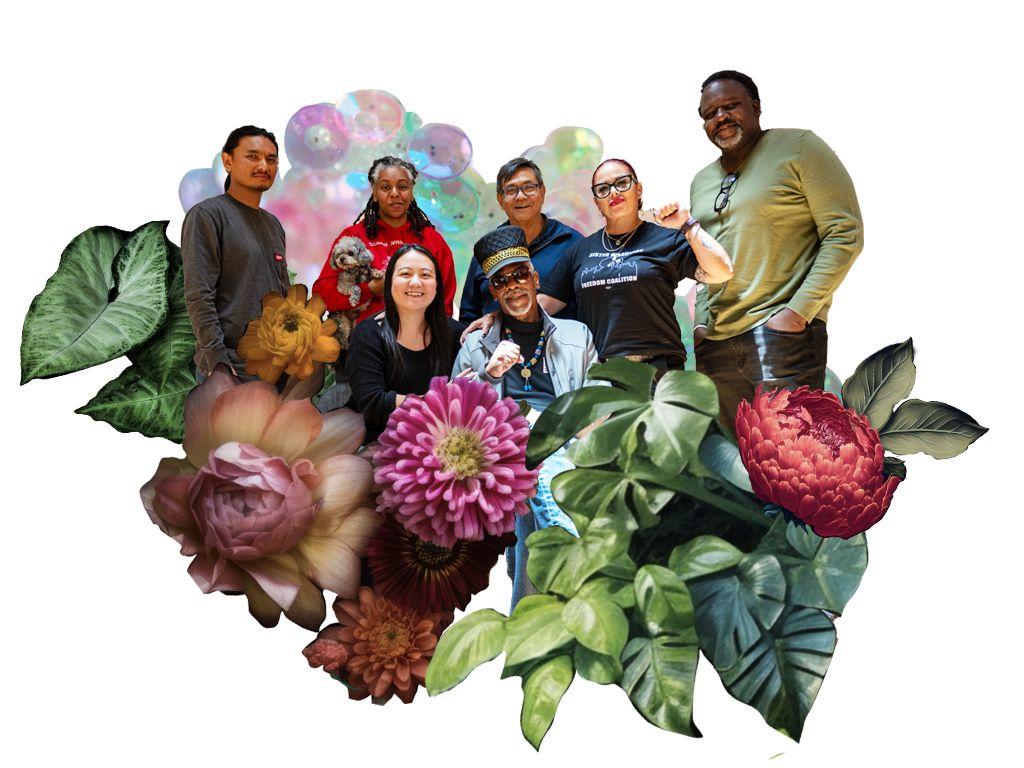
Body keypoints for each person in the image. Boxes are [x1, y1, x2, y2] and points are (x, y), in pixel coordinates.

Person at [689, 70, 864, 435]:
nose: (719, 117)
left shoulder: (799, 147)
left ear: (755, 107)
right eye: (709, 113)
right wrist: (702, 323)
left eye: (730, 106)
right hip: (717, 345)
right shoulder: (701, 181)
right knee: (738, 465)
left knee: (788, 453)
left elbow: (844, 231)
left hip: (783, 339)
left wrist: (796, 313)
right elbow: (704, 259)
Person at [465, 158, 735, 383]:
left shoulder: (666, 239)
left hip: (659, 373)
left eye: (622, 183)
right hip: (601, 375)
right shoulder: (580, 250)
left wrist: (687, 224)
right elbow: (543, 305)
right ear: (596, 201)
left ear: (639, 189)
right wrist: (496, 316)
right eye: (603, 189)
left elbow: (722, 271)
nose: (614, 192)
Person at [453, 226, 599, 611]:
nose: (513, 286)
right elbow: (455, 417)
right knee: (532, 452)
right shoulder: (475, 344)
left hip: (569, 443)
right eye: (501, 281)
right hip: (504, 447)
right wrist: (491, 374)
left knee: (527, 511)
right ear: (493, 291)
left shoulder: (576, 335)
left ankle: (526, 615)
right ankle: (573, 558)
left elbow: (597, 405)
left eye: (520, 275)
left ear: (535, 279)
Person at [182, 125, 289, 384]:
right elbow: (199, 296)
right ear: (228, 161)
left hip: (276, 371)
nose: (264, 165)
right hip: (231, 372)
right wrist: (218, 364)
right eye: (253, 156)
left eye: (271, 159)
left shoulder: (273, 224)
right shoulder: (208, 216)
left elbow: (283, 292)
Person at [313, 156, 457, 324]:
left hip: (420, 340)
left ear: (411, 193)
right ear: (375, 193)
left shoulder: (433, 240)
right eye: (385, 187)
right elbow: (321, 296)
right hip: (364, 340)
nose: (394, 193)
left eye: (402, 187)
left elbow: (444, 305)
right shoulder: (353, 236)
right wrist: (368, 290)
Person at [346, 243, 466, 445]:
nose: (415, 282)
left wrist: (489, 320)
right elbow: (374, 404)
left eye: (426, 275)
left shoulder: (456, 333)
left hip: (440, 442)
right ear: (389, 283)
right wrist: (438, 399)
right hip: (377, 443)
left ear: (437, 285)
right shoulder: (367, 334)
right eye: (405, 274)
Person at [458, 157, 583, 323]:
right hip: (495, 347)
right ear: (500, 200)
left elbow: (589, 308)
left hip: (559, 346)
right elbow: (468, 317)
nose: (520, 196)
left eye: (529, 187)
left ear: (543, 193)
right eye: (510, 191)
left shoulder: (573, 244)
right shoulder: (487, 250)